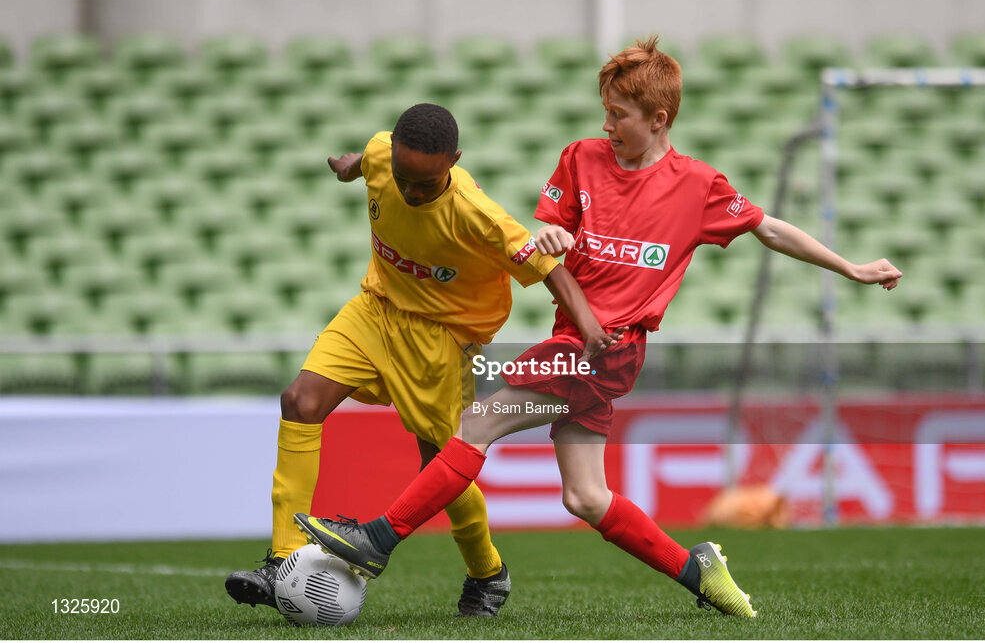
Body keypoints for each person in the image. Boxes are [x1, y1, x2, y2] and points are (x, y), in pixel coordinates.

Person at [292, 37, 903, 618]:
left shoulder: (698, 186)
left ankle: (377, 539)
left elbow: (769, 227)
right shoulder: (582, 158)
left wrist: (849, 267)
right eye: (605, 112)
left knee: (477, 422)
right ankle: (701, 573)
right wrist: (551, 234)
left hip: (608, 348)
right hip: (577, 340)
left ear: (659, 118)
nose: (607, 126)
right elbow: (547, 233)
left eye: (620, 115)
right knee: (585, 498)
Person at [225, 103, 618, 617]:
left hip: (442, 341)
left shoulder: (478, 216)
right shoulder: (382, 152)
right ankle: (281, 562)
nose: (410, 191)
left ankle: (487, 573)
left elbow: (550, 270)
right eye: (403, 178)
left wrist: (589, 327)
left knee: (440, 464)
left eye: (425, 183)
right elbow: (363, 163)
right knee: (299, 401)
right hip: (375, 310)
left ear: (453, 161)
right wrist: (347, 166)